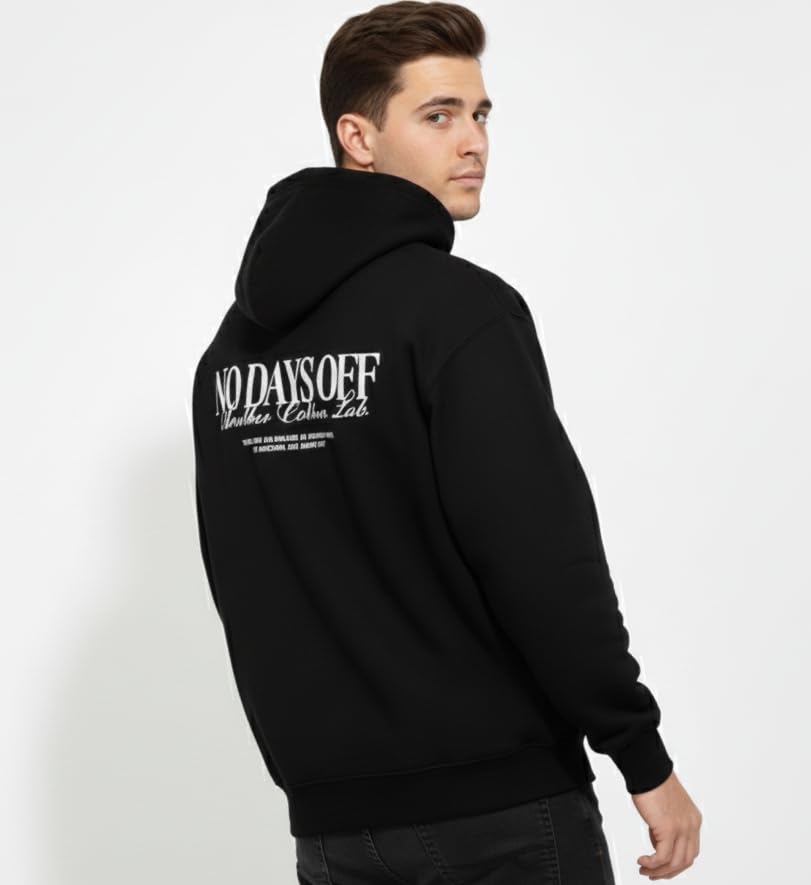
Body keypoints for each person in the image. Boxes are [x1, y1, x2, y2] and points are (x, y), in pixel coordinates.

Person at [191, 2, 703, 882]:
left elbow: (241, 576)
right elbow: (541, 556)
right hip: (502, 817)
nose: (474, 142)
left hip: (336, 832)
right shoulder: (462, 313)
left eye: (480, 113)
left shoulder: (230, 357)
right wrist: (641, 753)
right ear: (358, 135)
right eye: (438, 115)